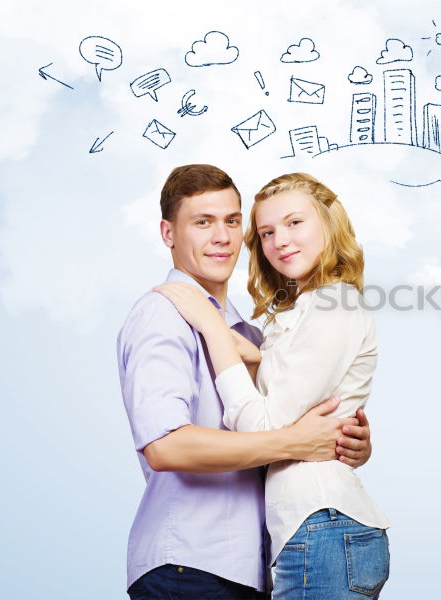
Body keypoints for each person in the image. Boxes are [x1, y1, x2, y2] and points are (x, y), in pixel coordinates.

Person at [117, 165, 374, 600]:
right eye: (202, 222)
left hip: (257, 566)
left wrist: (347, 439)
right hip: (190, 565)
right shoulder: (164, 313)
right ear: (168, 233)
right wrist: (295, 443)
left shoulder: (251, 334)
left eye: (232, 221)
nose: (221, 237)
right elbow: (165, 447)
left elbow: (293, 421)